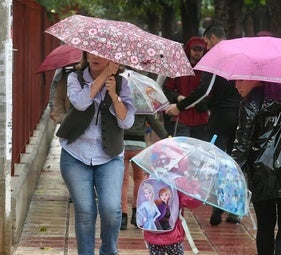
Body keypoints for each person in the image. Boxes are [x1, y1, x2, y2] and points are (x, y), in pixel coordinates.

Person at [57, 51, 136, 255]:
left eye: (102, 53)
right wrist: (102, 77)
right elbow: (81, 102)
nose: (95, 56)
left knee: (111, 210)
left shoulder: (122, 84)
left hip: (109, 157)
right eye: (91, 52)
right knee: (85, 212)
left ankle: (109, 251)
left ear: (113, 59)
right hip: (75, 154)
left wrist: (114, 95)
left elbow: (127, 122)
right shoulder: (75, 77)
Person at [165, 25, 242, 225]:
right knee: (236, 162)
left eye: (206, 42)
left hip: (219, 118)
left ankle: (218, 207)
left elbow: (203, 90)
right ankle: (234, 208)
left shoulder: (215, 57)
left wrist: (179, 107)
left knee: (217, 161)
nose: (206, 47)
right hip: (241, 116)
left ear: (213, 38)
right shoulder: (240, 55)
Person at [231, 80, 281, 255]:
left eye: (241, 80)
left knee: (265, 224)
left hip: (262, 173)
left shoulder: (251, 103)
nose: (237, 85)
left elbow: (242, 142)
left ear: (255, 78)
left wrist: (233, 169)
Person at [120, 113, 168, 230]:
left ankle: (123, 216)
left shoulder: (121, 99)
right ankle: (136, 214)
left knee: (123, 181)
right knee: (139, 179)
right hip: (139, 146)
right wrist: (167, 137)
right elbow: (154, 123)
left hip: (122, 144)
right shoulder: (143, 104)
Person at [163, 37, 209, 140]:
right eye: (194, 49)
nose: (197, 53)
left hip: (200, 117)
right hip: (181, 116)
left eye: (200, 50)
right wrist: (178, 96)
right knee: (181, 149)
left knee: (199, 151)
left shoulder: (207, 70)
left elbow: (209, 93)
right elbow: (167, 89)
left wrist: (200, 104)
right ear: (189, 50)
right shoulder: (179, 67)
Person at [143, 189, 202, 255]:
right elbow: (189, 202)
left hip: (153, 235)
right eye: (161, 195)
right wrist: (197, 193)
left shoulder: (153, 179)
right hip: (173, 235)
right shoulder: (178, 183)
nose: (164, 197)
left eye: (166, 195)